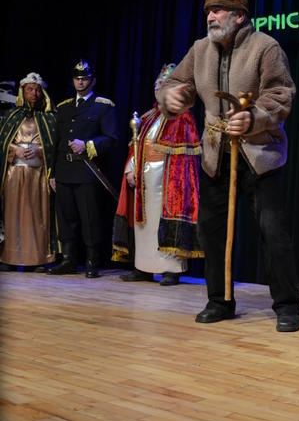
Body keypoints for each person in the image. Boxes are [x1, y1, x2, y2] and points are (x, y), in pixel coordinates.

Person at [156, 0, 299, 331]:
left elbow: (280, 94)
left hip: (258, 155)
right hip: (215, 156)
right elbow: (176, 83)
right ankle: (219, 301)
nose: (210, 16)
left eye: (217, 10)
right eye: (208, 11)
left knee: (272, 230)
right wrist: (170, 97)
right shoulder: (200, 49)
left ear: (239, 16)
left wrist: (253, 117)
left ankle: (287, 306)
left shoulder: (265, 47)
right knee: (211, 231)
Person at [112, 63, 203, 284]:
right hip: (145, 177)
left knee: (164, 221)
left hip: (168, 179)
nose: (158, 88)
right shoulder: (149, 116)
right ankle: (142, 268)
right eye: (157, 85)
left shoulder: (182, 117)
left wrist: (173, 180)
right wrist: (130, 169)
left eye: (163, 85)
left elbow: (186, 156)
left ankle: (170, 270)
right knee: (144, 225)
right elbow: (136, 147)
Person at [48, 60, 119, 278]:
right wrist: (53, 173)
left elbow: (111, 139)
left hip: (87, 170)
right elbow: (57, 142)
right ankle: (68, 260)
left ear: (93, 80)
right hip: (64, 169)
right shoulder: (64, 107)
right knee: (65, 217)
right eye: (77, 78)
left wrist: (87, 145)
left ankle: (91, 261)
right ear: (72, 81)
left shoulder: (103, 106)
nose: (80, 82)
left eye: (85, 78)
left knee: (90, 218)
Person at [0, 72, 59, 271]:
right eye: (29, 90)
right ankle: (9, 258)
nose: (33, 93)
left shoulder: (51, 118)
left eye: (37, 90)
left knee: (37, 216)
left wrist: (40, 151)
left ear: (43, 93)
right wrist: (14, 149)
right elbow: (2, 142)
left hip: (38, 175)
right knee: (13, 215)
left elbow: (56, 146)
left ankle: (38, 259)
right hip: (14, 174)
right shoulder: (11, 116)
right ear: (22, 92)